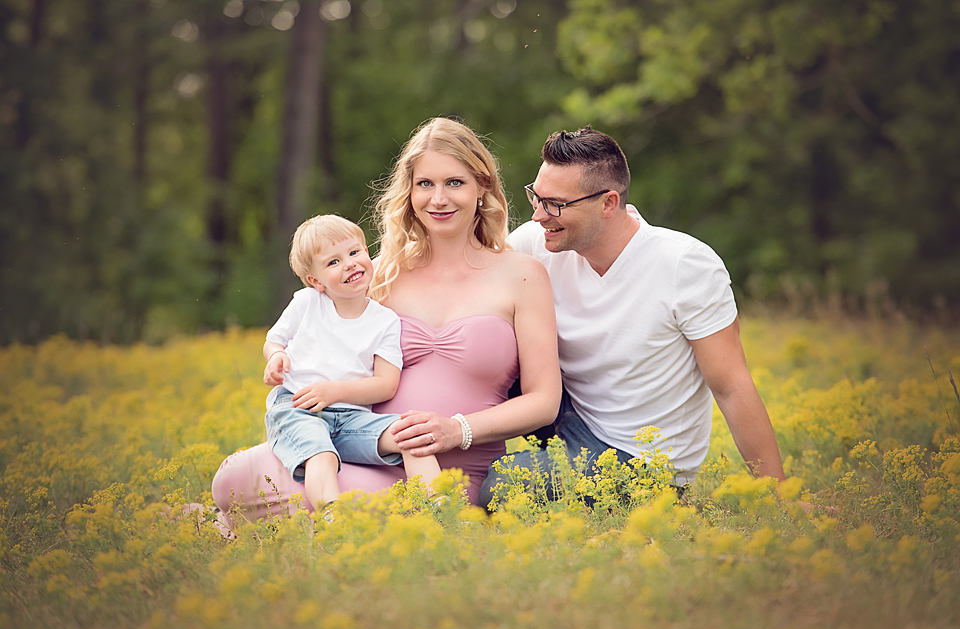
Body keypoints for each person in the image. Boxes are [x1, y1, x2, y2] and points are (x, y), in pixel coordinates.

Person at [211, 118, 561, 527]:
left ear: (482, 186)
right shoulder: (380, 272)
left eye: (455, 183)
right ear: (409, 191)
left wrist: (456, 430)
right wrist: (282, 361)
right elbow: (315, 333)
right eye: (425, 184)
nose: (439, 199)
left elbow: (544, 400)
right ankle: (267, 516)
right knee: (232, 478)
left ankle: (249, 522)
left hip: (445, 473)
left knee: (359, 509)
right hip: (364, 449)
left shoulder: (521, 275)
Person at [480, 126, 785, 506]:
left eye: (556, 204)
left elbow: (731, 386)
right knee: (479, 335)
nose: (540, 215)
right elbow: (462, 289)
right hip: (566, 415)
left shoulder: (685, 265)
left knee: (501, 487)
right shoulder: (535, 243)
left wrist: (780, 494)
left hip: (639, 459)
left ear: (608, 203)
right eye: (536, 198)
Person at [261, 214, 440, 513]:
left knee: (411, 435)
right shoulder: (307, 303)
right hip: (299, 408)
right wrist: (277, 356)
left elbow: (386, 384)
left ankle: (442, 509)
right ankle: (334, 518)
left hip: (352, 419)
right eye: (333, 262)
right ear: (315, 281)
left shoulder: (384, 320)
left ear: (367, 253)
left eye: (354, 252)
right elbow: (274, 341)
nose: (349, 264)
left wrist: (333, 392)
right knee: (321, 454)